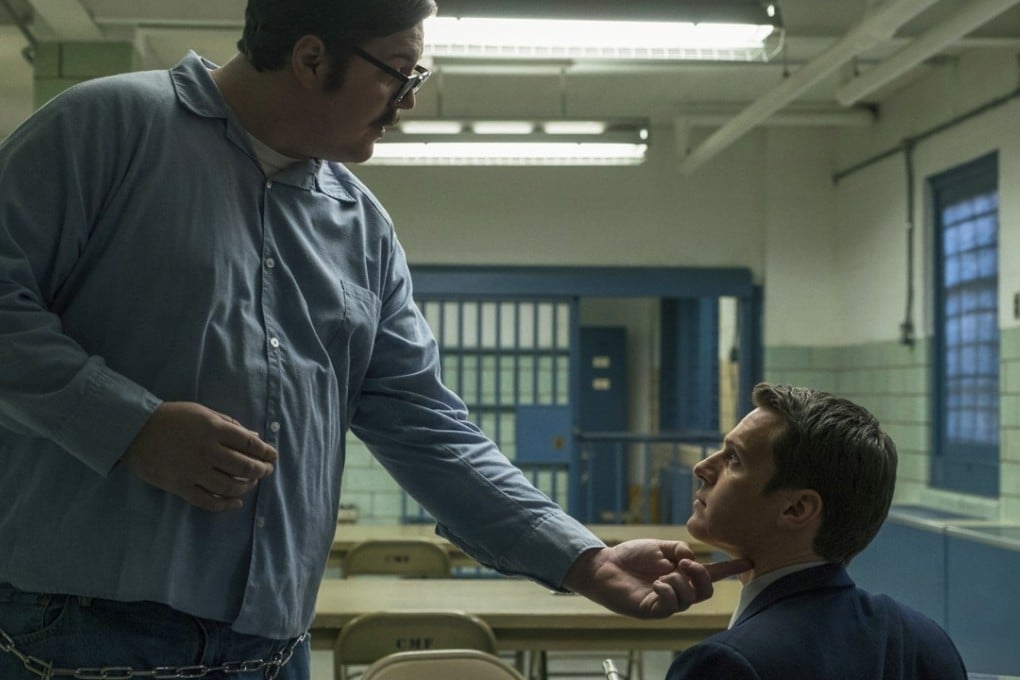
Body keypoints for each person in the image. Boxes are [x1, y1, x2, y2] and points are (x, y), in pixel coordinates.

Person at [0, 1, 749, 677]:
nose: (410, 101)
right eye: (399, 72)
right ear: (311, 57)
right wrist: (129, 427)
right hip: (79, 635)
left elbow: (428, 425)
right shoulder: (108, 128)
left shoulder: (360, 227)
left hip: (273, 644)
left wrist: (582, 557)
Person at [666, 383, 968, 679]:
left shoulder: (724, 665)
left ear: (797, 508)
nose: (702, 467)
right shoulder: (926, 642)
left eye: (734, 459)